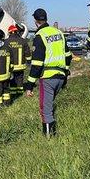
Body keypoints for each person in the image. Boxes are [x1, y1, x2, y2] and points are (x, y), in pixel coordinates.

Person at [25, 8, 72, 137]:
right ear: (46, 19)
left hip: (47, 78)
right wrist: (66, 72)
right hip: (61, 76)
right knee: (49, 107)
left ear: (35, 21)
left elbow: (37, 64)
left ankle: (49, 139)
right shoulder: (59, 33)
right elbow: (68, 56)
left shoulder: (40, 36)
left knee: (46, 110)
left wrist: (29, 86)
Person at [7, 24, 31, 95]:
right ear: (16, 31)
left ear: (10, 32)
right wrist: (29, 61)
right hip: (21, 66)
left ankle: (13, 93)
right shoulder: (23, 41)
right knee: (20, 79)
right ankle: (20, 93)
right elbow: (27, 52)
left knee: (12, 79)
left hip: (11, 66)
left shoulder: (6, 42)